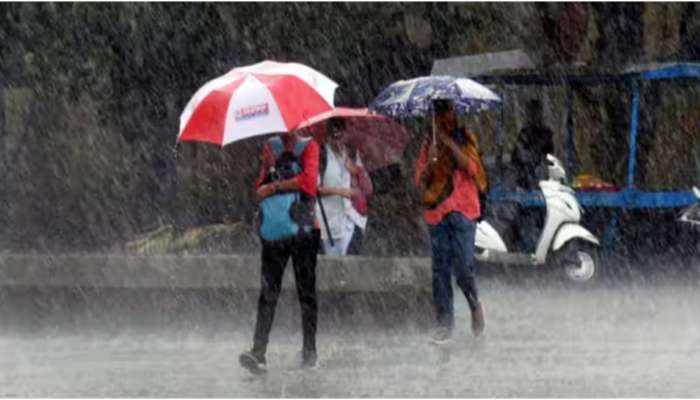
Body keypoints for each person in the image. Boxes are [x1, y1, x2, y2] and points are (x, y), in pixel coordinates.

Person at [239, 129, 321, 374]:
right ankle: (258, 351)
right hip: (274, 232)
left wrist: (276, 186)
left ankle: (309, 351)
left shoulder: (309, 147)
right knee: (267, 292)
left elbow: (309, 182)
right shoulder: (270, 148)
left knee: (306, 293)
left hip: (303, 231)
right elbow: (258, 187)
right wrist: (272, 180)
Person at [415, 98, 486, 345]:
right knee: (440, 270)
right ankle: (444, 323)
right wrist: (432, 159)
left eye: (446, 111)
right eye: (438, 112)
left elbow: (473, 169)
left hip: (464, 211)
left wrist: (450, 145)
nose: (443, 117)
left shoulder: (466, 137)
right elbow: (420, 181)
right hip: (437, 213)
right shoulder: (428, 144)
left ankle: (474, 302)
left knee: (464, 268)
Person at [316, 118, 369, 256]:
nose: (338, 141)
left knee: (351, 267)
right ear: (328, 136)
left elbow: (366, 189)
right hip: (327, 221)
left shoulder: (351, 153)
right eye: (334, 135)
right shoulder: (321, 155)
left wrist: (356, 172)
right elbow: (316, 189)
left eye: (341, 135)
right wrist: (341, 191)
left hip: (351, 219)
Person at [511, 99, 554, 189]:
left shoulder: (546, 133)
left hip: (541, 177)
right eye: (530, 112)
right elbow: (516, 157)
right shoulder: (524, 133)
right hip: (525, 178)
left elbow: (550, 155)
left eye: (534, 112)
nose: (532, 116)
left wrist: (538, 157)